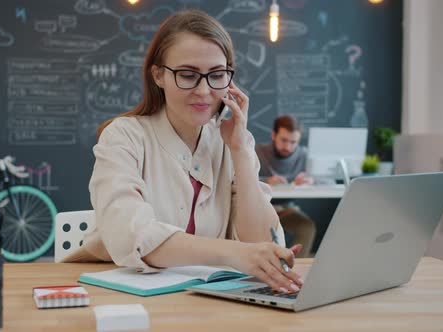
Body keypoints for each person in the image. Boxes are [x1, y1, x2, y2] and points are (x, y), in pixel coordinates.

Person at [65, 9, 303, 292]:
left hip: (200, 298)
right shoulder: (123, 136)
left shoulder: (234, 141)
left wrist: (239, 149)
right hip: (114, 290)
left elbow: (264, 243)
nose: (203, 91)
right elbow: (132, 235)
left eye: (217, 75)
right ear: (158, 75)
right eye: (188, 75)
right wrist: (230, 252)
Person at [255, 115, 316, 258]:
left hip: (286, 209)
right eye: (283, 140)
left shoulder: (304, 155)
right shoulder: (257, 151)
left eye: (293, 142)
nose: (288, 147)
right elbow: (239, 178)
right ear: (273, 135)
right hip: (260, 208)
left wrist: (310, 180)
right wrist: (266, 181)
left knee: (306, 227)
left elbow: (329, 181)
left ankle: (295, 270)